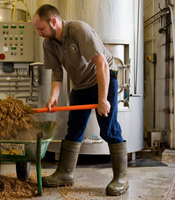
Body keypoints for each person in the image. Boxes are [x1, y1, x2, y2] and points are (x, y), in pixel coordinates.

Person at [33, 4, 128, 196]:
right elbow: (57, 72)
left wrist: (103, 99)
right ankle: (65, 173)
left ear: (54, 21)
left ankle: (121, 177)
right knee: (74, 128)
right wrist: (53, 97)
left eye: (41, 29)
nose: (40, 34)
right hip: (80, 86)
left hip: (104, 78)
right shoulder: (49, 43)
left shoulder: (78, 30)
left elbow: (101, 63)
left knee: (108, 128)